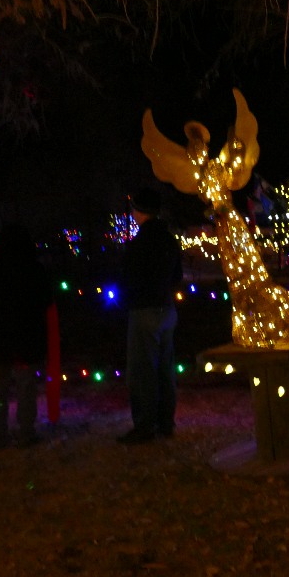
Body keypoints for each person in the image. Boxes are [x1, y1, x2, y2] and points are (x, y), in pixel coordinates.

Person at [0, 224, 53, 448]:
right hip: (26, 340)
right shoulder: (35, 270)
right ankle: (25, 432)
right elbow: (46, 301)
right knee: (26, 387)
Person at [118, 186, 181, 444]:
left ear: (140, 211)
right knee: (166, 368)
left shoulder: (138, 244)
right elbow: (176, 277)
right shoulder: (169, 241)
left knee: (142, 370)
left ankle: (144, 425)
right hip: (167, 309)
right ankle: (165, 422)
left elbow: (129, 278)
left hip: (144, 310)